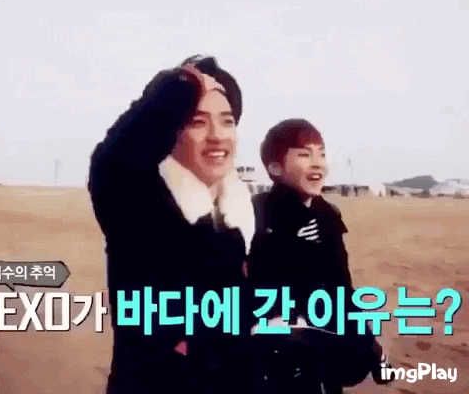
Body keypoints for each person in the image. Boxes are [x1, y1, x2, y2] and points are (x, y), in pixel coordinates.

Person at [88, 55, 255, 394]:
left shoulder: (239, 215)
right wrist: (182, 83)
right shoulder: (139, 206)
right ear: (169, 132)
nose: (217, 136)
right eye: (197, 122)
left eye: (227, 121)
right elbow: (111, 162)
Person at [248, 119, 393, 393]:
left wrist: (369, 342)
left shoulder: (327, 215)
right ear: (274, 167)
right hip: (275, 345)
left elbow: (342, 287)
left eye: (322, 154)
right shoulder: (255, 212)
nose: (317, 163)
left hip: (324, 334)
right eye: (305, 155)